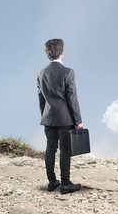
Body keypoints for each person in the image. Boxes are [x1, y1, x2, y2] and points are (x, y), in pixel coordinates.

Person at [37, 39, 83, 194]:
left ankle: (51, 182)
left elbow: (41, 99)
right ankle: (65, 184)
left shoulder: (41, 73)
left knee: (50, 148)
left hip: (48, 118)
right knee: (65, 150)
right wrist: (78, 120)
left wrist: (45, 115)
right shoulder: (68, 72)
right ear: (62, 52)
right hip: (65, 119)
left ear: (47, 53)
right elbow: (72, 98)